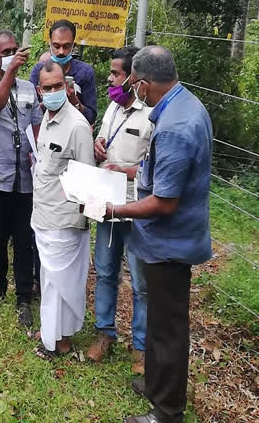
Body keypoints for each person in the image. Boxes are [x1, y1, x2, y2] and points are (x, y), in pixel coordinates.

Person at [106, 47, 212, 423]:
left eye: (134, 84)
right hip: (160, 241)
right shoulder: (180, 105)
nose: (133, 90)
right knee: (158, 321)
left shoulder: (178, 128)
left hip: (171, 244)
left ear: (146, 84)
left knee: (167, 328)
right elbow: (158, 173)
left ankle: (167, 412)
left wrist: (114, 209)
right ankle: (155, 383)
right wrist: (128, 170)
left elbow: (164, 202)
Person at [86, 46, 152, 375]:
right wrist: (99, 144)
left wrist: (126, 171)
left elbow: (158, 168)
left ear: (133, 78)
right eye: (110, 73)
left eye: (116, 73)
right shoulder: (112, 107)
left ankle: (140, 347)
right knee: (106, 270)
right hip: (107, 204)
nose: (110, 78)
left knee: (140, 281)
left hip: (138, 208)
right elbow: (103, 137)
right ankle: (104, 333)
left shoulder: (151, 113)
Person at [0, 31, 43, 328]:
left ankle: (24, 298)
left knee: (24, 240)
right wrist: (10, 71)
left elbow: (38, 125)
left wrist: (41, 160)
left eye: (16, 50)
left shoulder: (29, 88)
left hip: (26, 181)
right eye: (7, 51)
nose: (14, 54)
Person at [31, 59, 94, 358]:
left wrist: (82, 219)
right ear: (39, 91)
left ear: (67, 87)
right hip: (43, 213)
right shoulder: (46, 117)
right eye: (48, 88)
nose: (54, 91)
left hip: (65, 219)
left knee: (61, 285)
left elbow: (86, 180)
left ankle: (58, 341)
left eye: (59, 86)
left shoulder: (78, 126)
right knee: (50, 280)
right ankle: (53, 333)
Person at [29, 20, 97, 125]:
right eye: (56, 46)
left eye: (66, 46)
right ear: (50, 44)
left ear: (73, 46)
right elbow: (29, 113)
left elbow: (91, 117)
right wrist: (49, 102)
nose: (61, 52)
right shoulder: (38, 71)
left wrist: (75, 102)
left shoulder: (85, 72)